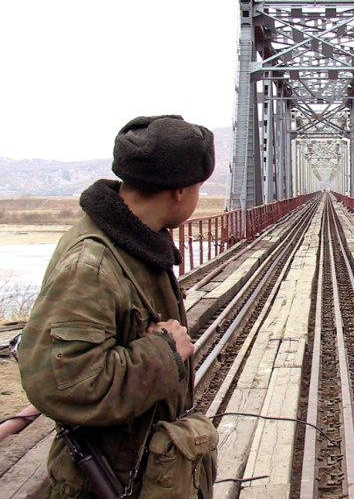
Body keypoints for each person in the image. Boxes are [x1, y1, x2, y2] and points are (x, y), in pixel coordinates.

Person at [19, 115, 218, 499]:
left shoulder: (135, 243)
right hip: (102, 482)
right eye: (198, 188)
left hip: (141, 469)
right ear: (179, 191)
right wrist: (164, 354)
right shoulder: (91, 263)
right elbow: (65, 384)